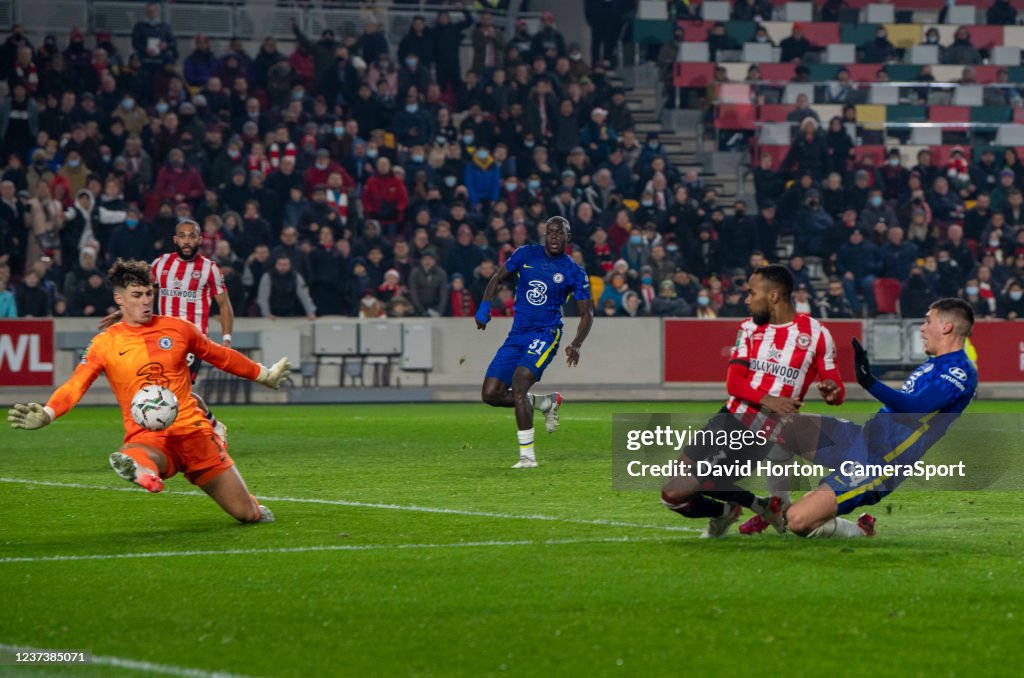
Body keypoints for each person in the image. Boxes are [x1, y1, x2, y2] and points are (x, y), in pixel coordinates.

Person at [7, 259, 292, 523]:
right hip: (150, 439)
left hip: (194, 434)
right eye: (136, 295)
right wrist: (47, 412)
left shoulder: (178, 329)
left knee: (248, 514)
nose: (145, 301)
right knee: (133, 454)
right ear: (119, 299)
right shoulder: (103, 344)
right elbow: (75, 385)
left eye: (148, 294)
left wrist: (265, 375)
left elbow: (221, 356)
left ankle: (242, 492)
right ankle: (143, 471)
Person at [660, 265, 845, 537]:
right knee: (677, 486)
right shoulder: (748, 329)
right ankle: (738, 510)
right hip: (727, 417)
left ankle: (752, 507)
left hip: (761, 431)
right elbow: (734, 384)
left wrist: (832, 391)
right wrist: (768, 398)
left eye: (751, 292)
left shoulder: (817, 334)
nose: (746, 300)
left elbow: (836, 390)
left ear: (773, 296)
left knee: (675, 491)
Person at [777, 299, 977, 538]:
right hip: (862, 439)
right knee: (782, 425)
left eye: (927, 321)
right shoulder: (933, 365)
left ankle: (860, 530)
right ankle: (770, 507)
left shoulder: (959, 371)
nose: (922, 328)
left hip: (879, 465)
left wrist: (869, 382)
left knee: (798, 521)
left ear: (946, 327)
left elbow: (916, 407)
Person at [475, 216, 593, 469]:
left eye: (559, 233)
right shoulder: (525, 255)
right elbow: (497, 277)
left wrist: (577, 343)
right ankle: (546, 402)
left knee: (519, 384)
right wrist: (485, 306)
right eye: (550, 232)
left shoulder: (573, 271)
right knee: (490, 394)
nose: (554, 237)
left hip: (546, 333)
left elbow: (587, 313)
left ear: (567, 238)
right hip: (517, 334)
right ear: (544, 235)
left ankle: (527, 457)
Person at [102, 220, 234, 441]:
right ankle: (211, 424)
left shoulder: (209, 269)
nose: (187, 241)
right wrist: (123, 312)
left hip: (193, 340)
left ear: (200, 239)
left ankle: (164, 438)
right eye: (182, 236)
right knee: (167, 390)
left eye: (192, 236)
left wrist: (227, 339)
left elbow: (224, 305)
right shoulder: (161, 264)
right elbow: (145, 294)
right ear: (175, 239)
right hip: (161, 339)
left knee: (174, 391)